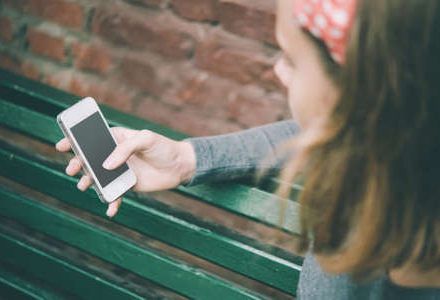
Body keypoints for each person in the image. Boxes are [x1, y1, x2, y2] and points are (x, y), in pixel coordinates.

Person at [56, 0, 440, 298]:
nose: (278, 71)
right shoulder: (386, 148)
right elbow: (308, 133)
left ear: (361, 96)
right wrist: (186, 160)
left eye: (291, 59)